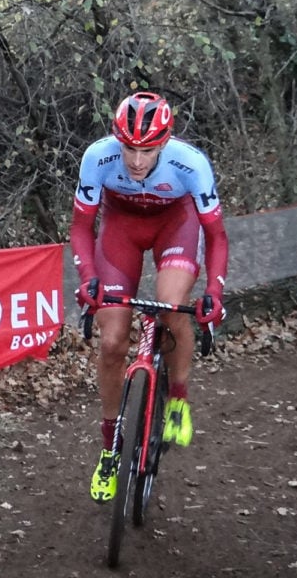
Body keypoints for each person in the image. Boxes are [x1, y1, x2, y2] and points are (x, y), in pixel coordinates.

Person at [70, 91, 229, 503]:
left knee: (172, 308)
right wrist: (88, 277)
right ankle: (109, 450)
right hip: (120, 230)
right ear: (116, 141)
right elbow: (81, 228)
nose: (137, 160)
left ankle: (177, 399)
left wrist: (214, 290)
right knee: (111, 341)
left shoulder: (190, 163)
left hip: (175, 225)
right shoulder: (97, 158)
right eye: (129, 149)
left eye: (148, 150)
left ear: (165, 142)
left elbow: (216, 236)